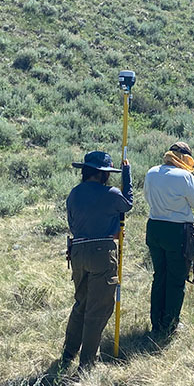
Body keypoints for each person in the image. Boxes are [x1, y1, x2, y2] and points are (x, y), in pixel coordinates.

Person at [60, 150, 132, 371]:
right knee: (97, 309)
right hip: (102, 253)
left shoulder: (74, 194)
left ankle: (68, 354)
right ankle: (87, 363)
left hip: (78, 251)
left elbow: (73, 224)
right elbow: (128, 204)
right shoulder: (111, 193)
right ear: (103, 174)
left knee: (81, 304)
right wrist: (127, 175)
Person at [143, 141, 194, 338]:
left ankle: (156, 323)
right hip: (177, 232)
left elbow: (147, 197)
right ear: (185, 158)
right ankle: (170, 325)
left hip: (154, 228)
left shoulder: (151, 172)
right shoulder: (185, 177)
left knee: (159, 276)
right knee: (176, 279)